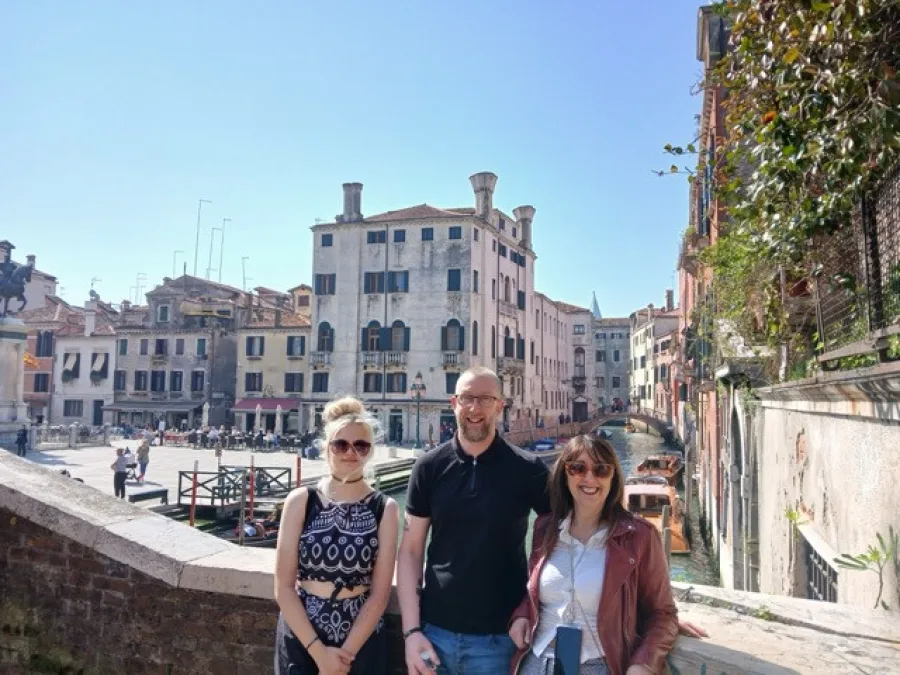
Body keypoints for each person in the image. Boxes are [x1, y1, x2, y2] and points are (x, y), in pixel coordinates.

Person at [398, 366, 551, 675]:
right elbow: (411, 551)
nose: (474, 408)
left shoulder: (529, 470)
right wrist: (412, 632)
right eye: (467, 398)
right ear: (453, 403)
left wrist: (529, 609)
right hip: (433, 635)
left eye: (485, 399)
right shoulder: (428, 468)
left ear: (499, 405)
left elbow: (556, 545)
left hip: (499, 639)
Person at [508, 435, 678, 675]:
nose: (589, 478)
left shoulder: (639, 536)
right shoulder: (545, 528)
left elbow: (663, 614)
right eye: (577, 468)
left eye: (601, 470)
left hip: (598, 666)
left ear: (613, 477)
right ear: (564, 474)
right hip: (535, 662)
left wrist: (643, 663)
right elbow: (534, 590)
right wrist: (522, 615)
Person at [274, 397, 399, 674]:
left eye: (361, 445)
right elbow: (283, 586)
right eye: (341, 444)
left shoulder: (385, 509)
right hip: (302, 635)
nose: (350, 452)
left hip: (360, 638)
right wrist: (320, 654)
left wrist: (343, 658)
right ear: (326, 448)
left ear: (370, 451)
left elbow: (379, 596)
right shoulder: (300, 501)